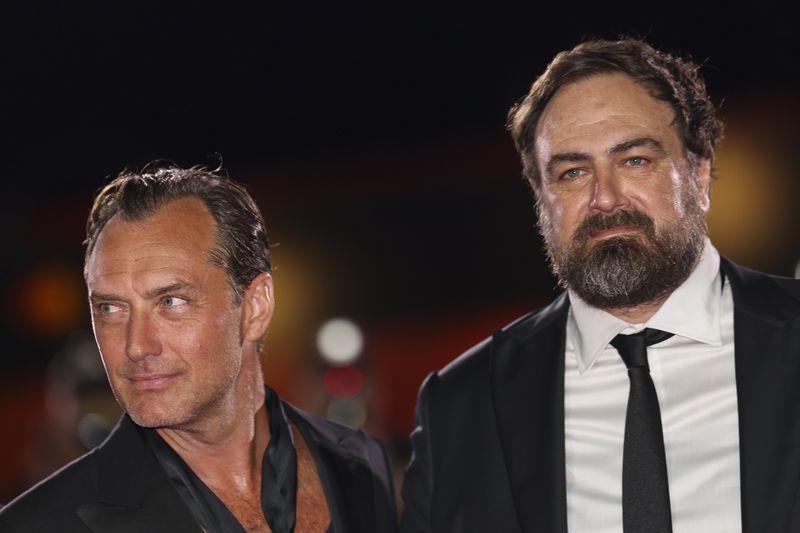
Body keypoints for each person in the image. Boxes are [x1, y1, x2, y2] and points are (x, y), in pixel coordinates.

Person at [400, 38, 800, 533]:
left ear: (699, 174)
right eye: (572, 172)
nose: (604, 199)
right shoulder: (461, 403)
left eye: (635, 160)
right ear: (541, 198)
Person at [0, 164, 396, 533]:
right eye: (111, 308)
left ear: (255, 307)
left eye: (171, 301)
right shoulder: (38, 525)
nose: (137, 346)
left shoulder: (361, 466)